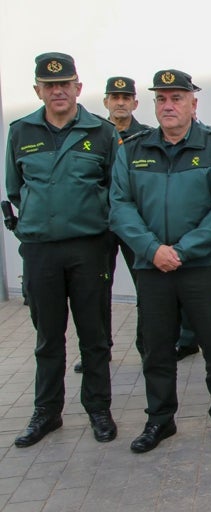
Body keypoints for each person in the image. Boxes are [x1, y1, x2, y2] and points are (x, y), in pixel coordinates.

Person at [109, 69, 211, 453]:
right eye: (162, 99)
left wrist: (182, 250)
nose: (169, 105)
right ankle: (160, 420)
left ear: (193, 104)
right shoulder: (133, 149)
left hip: (203, 267)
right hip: (153, 269)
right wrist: (152, 250)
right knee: (156, 348)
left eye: (177, 98)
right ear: (153, 105)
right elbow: (120, 207)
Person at [7, 52, 119, 447]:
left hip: (89, 249)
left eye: (64, 84)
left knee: (95, 335)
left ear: (78, 88)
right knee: (48, 338)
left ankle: (99, 409)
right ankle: (47, 413)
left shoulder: (103, 133)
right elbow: (15, 190)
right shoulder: (20, 132)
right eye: (49, 85)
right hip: (40, 252)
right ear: (38, 90)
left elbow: (116, 190)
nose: (57, 91)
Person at [77, 76, 153, 376]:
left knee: (146, 288)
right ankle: (99, 349)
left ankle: (148, 347)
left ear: (135, 102)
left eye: (126, 97)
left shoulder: (146, 136)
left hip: (135, 222)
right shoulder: (92, 134)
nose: (120, 102)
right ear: (106, 102)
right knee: (96, 290)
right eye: (114, 97)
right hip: (101, 224)